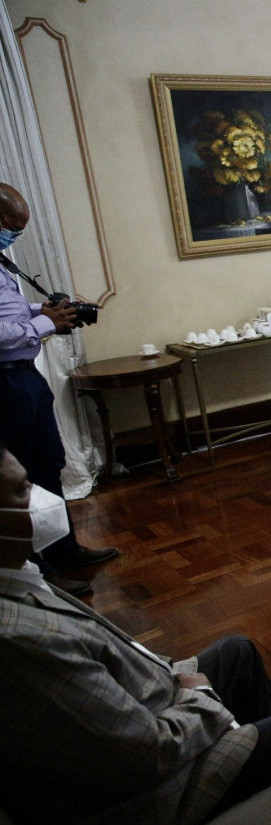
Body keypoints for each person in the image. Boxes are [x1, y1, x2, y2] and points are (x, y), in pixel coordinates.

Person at [0, 440, 271, 825]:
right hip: (147, 799)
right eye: (21, 490)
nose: (40, 498)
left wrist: (174, 680)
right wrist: (197, 695)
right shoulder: (17, 640)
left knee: (237, 653)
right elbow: (149, 755)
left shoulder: (14, 576)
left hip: (141, 711)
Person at [0, 181, 117, 597]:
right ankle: (37, 569)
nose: (15, 235)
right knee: (21, 478)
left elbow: (9, 312)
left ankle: (63, 549)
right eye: (10, 227)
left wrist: (46, 311)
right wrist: (45, 323)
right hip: (5, 383)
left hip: (23, 377)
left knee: (48, 463)